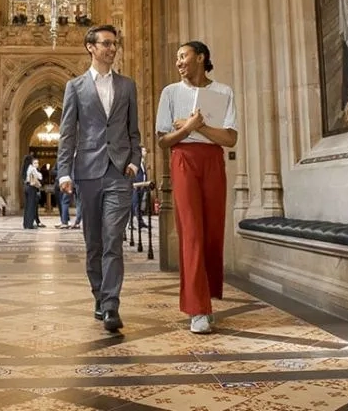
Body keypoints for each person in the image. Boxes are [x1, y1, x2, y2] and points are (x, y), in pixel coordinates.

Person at [56, 24, 142, 333]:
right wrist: (64, 171)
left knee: (112, 240)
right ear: (91, 47)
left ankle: (111, 306)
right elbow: (67, 134)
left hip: (118, 172)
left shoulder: (128, 85)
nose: (112, 48)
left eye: (114, 44)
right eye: (106, 43)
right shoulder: (75, 87)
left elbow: (134, 132)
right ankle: (98, 295)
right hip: (88, 172)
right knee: (93, 243)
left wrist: (134, 163)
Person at [155, 40, 237, 334]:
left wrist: (196, 125)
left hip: (214, 161)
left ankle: (208, 296)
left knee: (213, 231)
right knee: (191, 233)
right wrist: (188, 130)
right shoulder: (170, 92)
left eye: (183, 56)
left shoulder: (223, 91)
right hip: (183, 161)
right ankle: (198, 309)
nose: (179, 62)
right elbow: (163, 140)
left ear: (200, 58)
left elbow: (229, 139)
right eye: (177, 57)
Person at [130, 146, 147, 229]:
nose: (146, 152)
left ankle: (140, 222)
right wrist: (134, 184)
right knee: (134, 204)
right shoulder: (136, 162)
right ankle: (131, 223)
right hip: (136, 186)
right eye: (144, 151)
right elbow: (133, 173)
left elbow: (143, 174)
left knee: (139, 204)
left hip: (142, 186)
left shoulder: (143, 162)